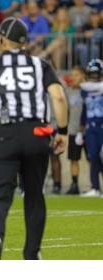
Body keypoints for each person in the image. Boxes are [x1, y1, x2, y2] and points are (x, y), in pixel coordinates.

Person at [0, 17, 68, 259]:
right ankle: (32, 253)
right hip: (36, 133)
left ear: (3, 40)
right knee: (34, 194)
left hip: (4, 133)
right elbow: (59, 97)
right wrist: (62, 132)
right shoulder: (39, 65)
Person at [78, 59, 103, 197]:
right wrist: (80, 131)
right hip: (91, 128)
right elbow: (84, 110)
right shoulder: (85, 90)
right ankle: (95, 187)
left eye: (95, 74)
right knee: (93, 157)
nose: (94, 77)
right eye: (91, 74)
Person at [66, 65, 87, 195]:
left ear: (83, 76)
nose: (73, 78)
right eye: (72, 75)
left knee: (93, 158)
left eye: (76, 75)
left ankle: (96, 185)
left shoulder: (90, 90)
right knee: (74, 158)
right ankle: (75, 185)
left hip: (88, 131)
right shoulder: (69, 92)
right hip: (74, 131)